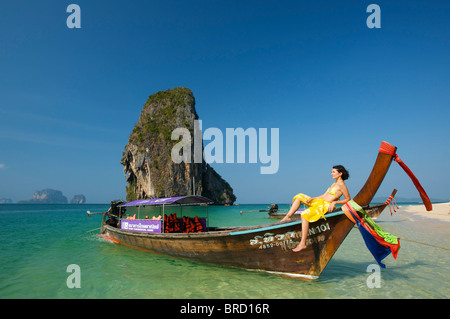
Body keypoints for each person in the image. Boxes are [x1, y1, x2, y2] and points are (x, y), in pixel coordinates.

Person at [280, 165, 351, 252]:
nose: (331, 174)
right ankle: (288, 216)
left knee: (304, 215)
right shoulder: (334, 184)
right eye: (331, 172)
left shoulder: (342, 185)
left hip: (325, 206)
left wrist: (335, 202)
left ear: (340, 173)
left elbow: (348, 199)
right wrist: (313, 198)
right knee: (299, 196)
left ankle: (302, 243)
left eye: (333, 172)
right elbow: (324, 195)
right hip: (319, 202)